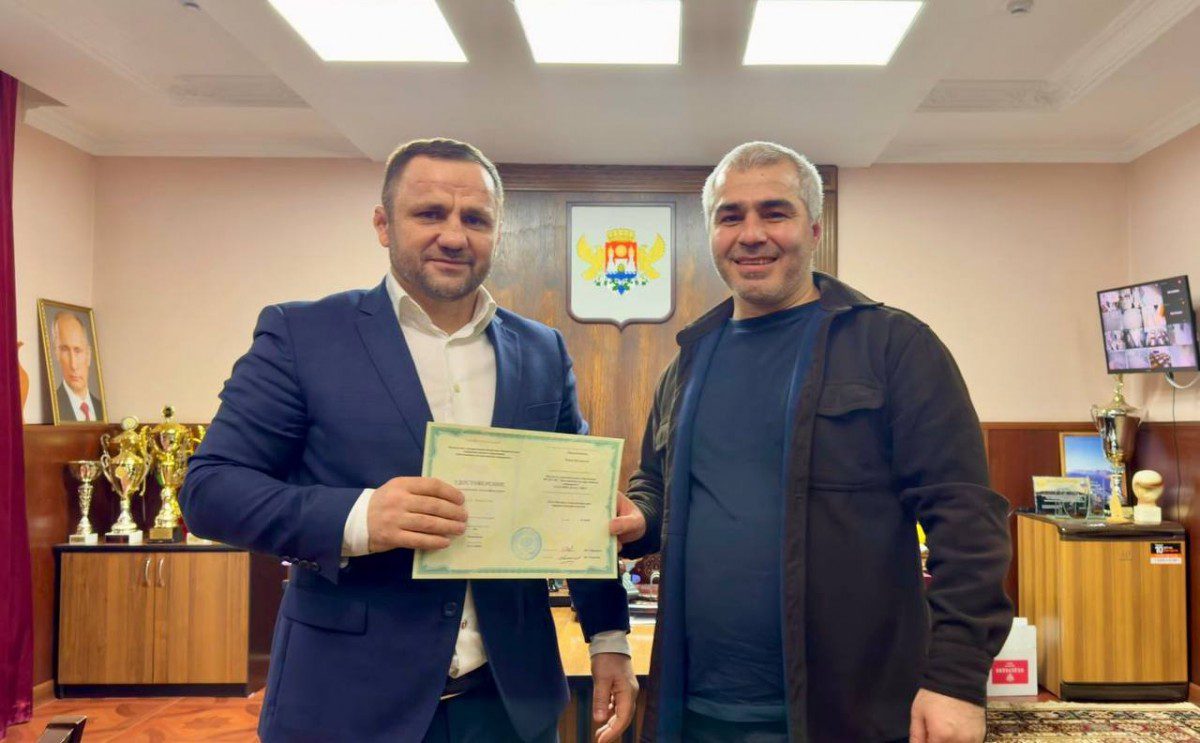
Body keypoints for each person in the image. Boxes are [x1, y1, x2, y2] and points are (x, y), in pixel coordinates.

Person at [180, 138, 636, 743]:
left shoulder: (542, 350)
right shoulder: (303, 335)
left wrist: (608, 637)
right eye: (430, 214)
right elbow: (210, 490)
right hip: (346, 703)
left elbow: (576, 508)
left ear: (497, 233)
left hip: (508, 704)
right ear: (383, 224)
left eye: (475, 219)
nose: (454, 235)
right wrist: (361, 516)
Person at [609, 141, 1013, 743]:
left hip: (846, 713)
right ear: (712, 234)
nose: (751, 234)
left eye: (775, 213)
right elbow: (657, 484)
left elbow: (967, 520)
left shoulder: (893, 346)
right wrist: (640, 516)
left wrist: (955, 679)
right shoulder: (688, 363)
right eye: (730, 216)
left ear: (814, 229)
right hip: (693, 710)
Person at [51, 311, 103, 422]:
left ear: (88, 355)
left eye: (78, 350)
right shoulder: (52, 407)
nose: (73, 365)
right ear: (56, 354)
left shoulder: (101, 409)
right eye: (65, 350)